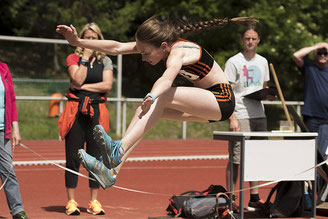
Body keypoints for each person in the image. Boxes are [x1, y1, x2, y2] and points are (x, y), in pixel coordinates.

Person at [56, 16, 258, 190]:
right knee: (145, 112)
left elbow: (167, 80)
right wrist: (78, 41)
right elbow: (116, 47)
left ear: (162, 47)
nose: (143, 58)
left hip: (222, 99)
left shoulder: (179, 51)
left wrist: (152, 96)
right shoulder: (159, 45)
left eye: (145, 53)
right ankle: (112, 171)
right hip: (205, 102)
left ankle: (119, 149)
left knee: (162, 96)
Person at [57, 22, 113, 215]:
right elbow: (77, 79)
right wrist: (85, 59)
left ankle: (94, 202)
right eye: (87, 38)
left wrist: (81, 88)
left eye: (94, 38)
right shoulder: (73, 57)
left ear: (99, 39)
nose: (90, 41)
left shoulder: (105, 61)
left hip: (97, 112)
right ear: (80, 39)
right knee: (73, 157)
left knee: (96, 158)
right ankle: (71, 201)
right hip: (75, 111)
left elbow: (107, 86)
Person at [224, 25, 275, 211]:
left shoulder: (263, 61)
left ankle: (254, 197)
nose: (250, 42)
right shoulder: (233, 62)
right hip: (241, 114)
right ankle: (231, 197)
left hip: (259, 114)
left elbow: (263, 87)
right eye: (247, 38)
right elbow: (227, 92)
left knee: (256, 157)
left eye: (253, 38)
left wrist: (269, 95)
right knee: (236, 158)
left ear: (259, 40)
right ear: (242, 40)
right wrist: (232, 118)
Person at [293, 42, 328, 197]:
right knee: (309, 154)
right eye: (319, 53)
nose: (322, 55)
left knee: (322, 158)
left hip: (326, 119)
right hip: (311, 118)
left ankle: (319, 192)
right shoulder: (309, 68)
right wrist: (318, 45)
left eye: (325, 53)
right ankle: (306, 192)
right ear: (315, 55)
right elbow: (296, 55)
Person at [0, 62, 29, 219]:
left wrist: (15, 128)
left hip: (2, 129)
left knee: (8, 170)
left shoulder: (4, 68)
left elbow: (11, 99)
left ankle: (18, 211)